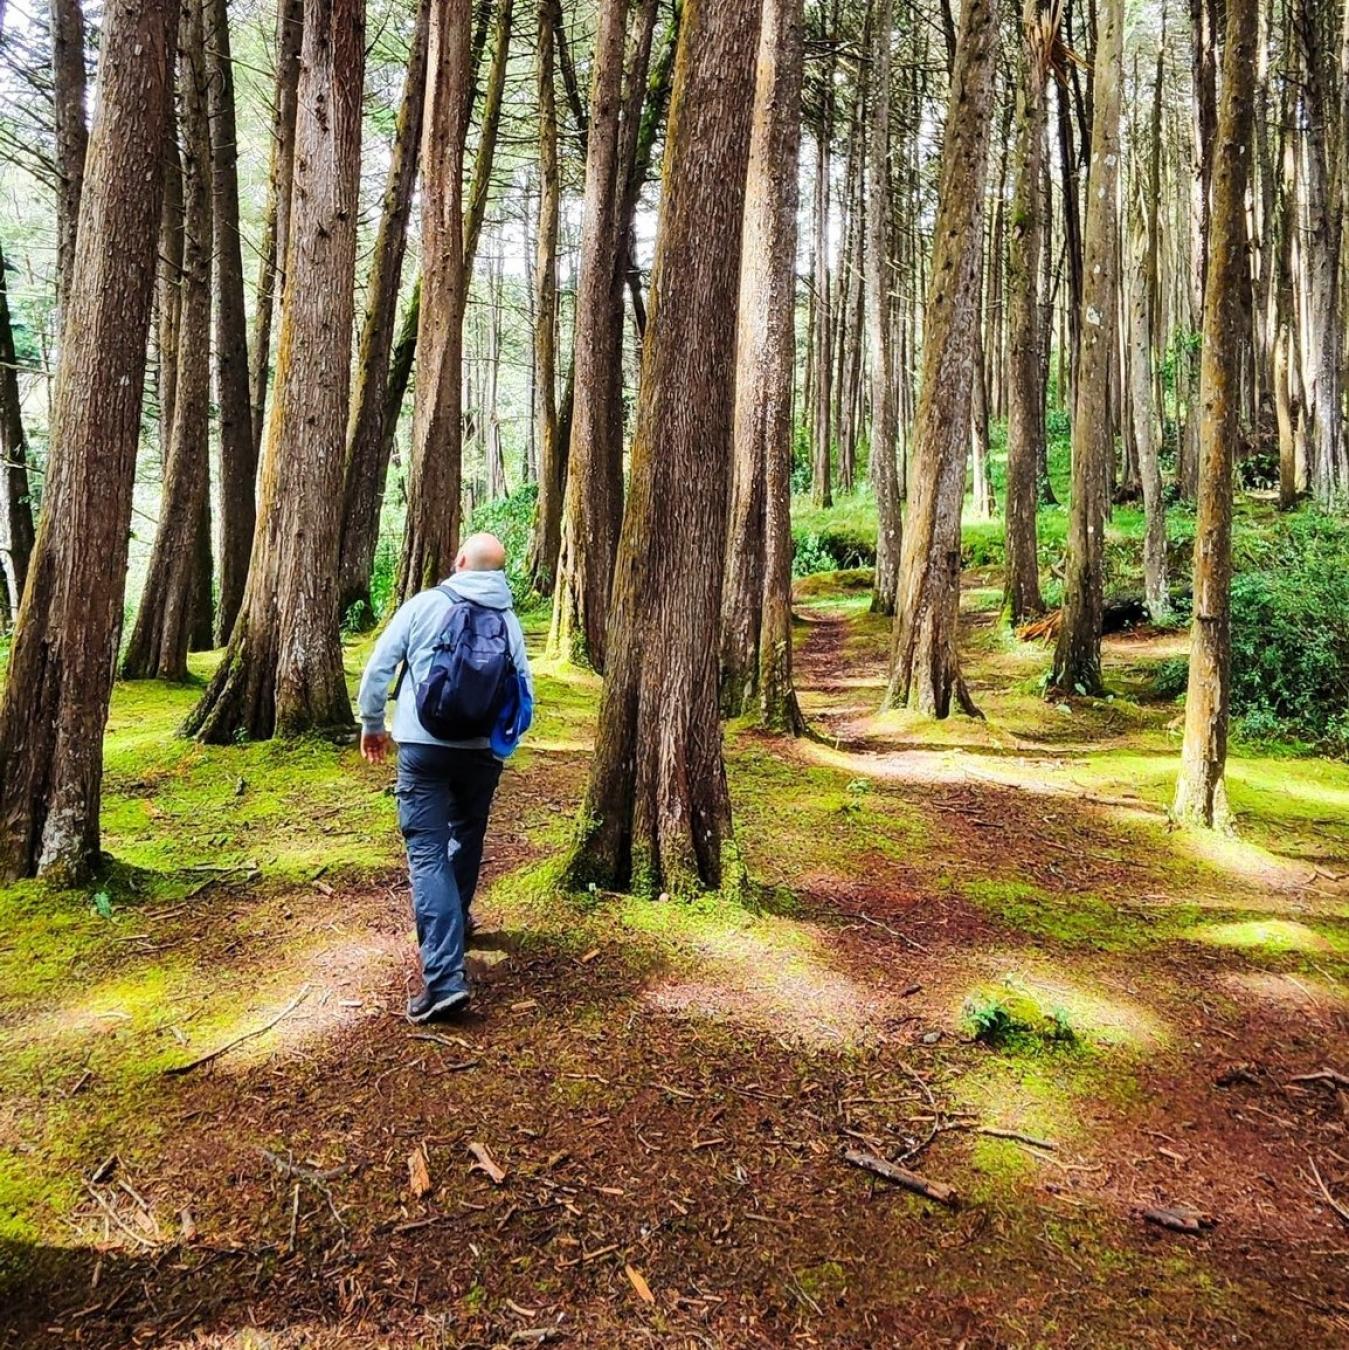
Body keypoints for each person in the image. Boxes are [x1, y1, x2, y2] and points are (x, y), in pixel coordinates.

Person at [358, 532, 534, 1023]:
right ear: (500, 573)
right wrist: (501, 745)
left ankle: (444, 980)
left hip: (422, 749)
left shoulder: (425, 605)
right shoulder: (508, 620)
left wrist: (374, 725)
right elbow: (524, 693)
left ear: (460, 561)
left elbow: (379, 668)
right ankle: (454, 925)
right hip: (480, 755)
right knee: (467, 838)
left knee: (427, 852)